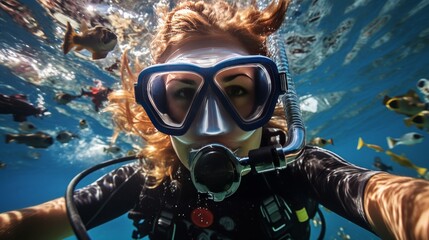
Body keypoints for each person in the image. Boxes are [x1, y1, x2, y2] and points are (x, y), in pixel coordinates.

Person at [1, 0, 429, 239]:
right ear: (154, 106)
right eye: (185, 93)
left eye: (238, 91)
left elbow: (399, 203)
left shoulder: (300, 166)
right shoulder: (148, 177)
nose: (211, 126)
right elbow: (36, 221)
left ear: (269, 97)